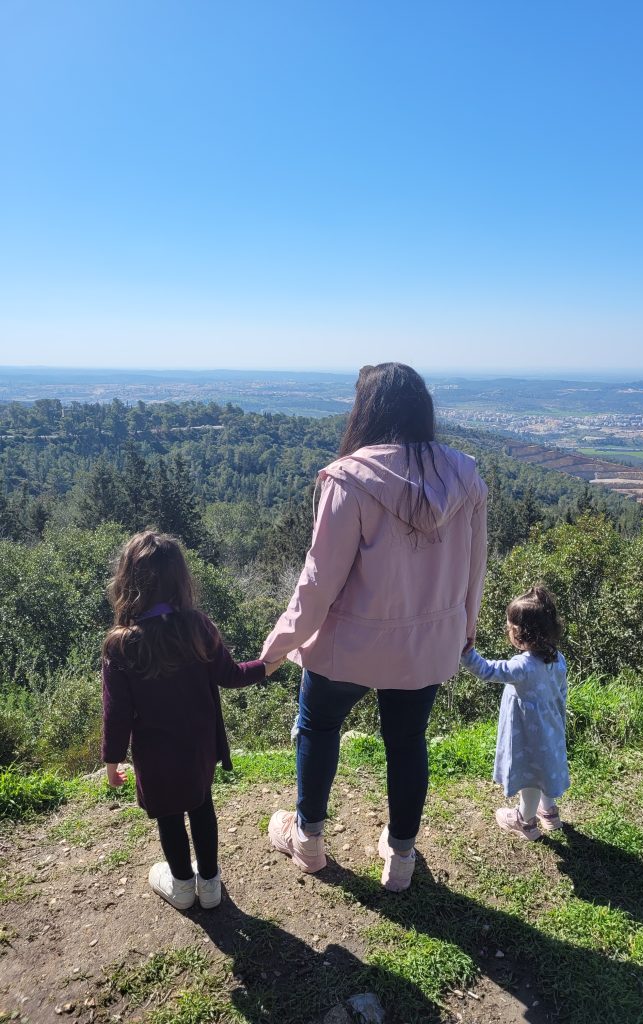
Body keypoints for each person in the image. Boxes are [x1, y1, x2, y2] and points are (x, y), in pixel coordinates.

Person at [260, 363, 488, 892]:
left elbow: (318, 583)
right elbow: (475, 565)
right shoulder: (465, 476)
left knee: (318, 727)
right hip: (426, 645)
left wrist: (277, 647)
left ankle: (308, 841)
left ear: (367, 410)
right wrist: (466, 628)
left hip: (349, 644)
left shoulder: (349, 479)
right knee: (407, 741)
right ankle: (401, 858)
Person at [101, 531, 283, 911]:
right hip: (199, 747)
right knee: (202, 806)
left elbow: (116, 712)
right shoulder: (196, 626)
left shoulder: (121, 644)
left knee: (169, 817)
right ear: (180, 579)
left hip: (155, 756)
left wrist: (112, 761)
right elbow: (230, 675)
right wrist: (265, 667)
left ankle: (182, 886)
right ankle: (210, 885)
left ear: (127, 580)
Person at [461, 585, 569, 840]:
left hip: (528, 737)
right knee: (545, 769)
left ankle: (525, 821)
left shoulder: (522, 666)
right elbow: (562, 693)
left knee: (530, 778)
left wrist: (465, 652)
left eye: (510, 627)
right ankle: (549, 812)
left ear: (521, 633)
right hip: (551, 727)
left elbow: (487, 670)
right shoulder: (557, 659)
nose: (507, 630)